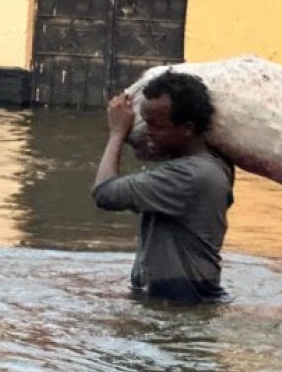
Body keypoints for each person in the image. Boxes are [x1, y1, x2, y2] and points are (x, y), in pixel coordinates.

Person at [92, 71, 235, 303]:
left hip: (179, 302)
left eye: (155, 125)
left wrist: (117, 133)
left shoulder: (188, 176)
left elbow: (105, 193)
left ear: (188, 128)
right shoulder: (215, 165)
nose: (146, 131)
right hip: (186, 298)